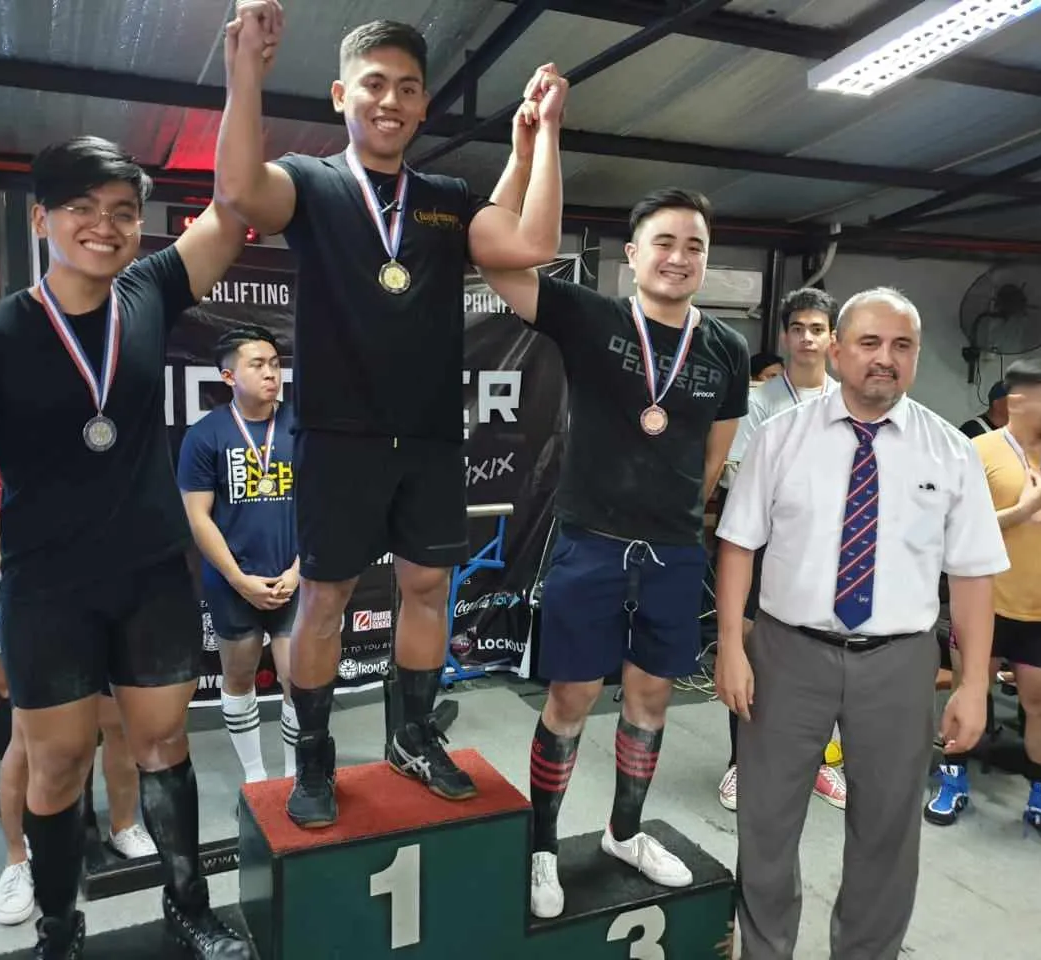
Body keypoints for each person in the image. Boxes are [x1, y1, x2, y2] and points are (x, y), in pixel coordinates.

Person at [0, 20, 266, 954]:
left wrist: (240, 76)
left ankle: (188, 911)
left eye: (122, 209)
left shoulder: (150, 292)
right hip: (47, 585)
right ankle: (61, 929)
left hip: (153, 572)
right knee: (60, 763)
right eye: (82, 207)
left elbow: (234, 210)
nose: (105, 225)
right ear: (40, 218)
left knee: (163, 747)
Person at [215, 2, 568, 828]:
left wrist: (543, 137)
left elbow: (532, 243)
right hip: (340, 437)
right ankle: (313, 755)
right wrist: (245, 74)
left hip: (433, 438)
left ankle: (411, 735)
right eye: (375, 84)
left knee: (426, 588)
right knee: (325, 600)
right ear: (343, 93)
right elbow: (237, 188)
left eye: (408, 88)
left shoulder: (443, 198)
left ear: (421, 105)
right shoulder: (310, 182)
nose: (391, 101)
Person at [714, 287, 1008, 960]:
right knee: (767, 820)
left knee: (886, 829)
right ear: (839, 351)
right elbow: (737, 545)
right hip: (788, 652)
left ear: (915, 357)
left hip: (899, 661)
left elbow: (972, 575)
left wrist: (971, 685)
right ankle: (764, 950)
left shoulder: (949, 451)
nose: (885, 359)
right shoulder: (782, 438)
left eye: (901, 345)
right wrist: (731, 643)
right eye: (870, 343)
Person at [480, 188, 750, 919]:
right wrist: (534, 146)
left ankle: (624, 834)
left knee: (651, 698)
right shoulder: (590, 315)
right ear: (632, 256)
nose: (679, 257)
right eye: (664, 242)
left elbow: (711, 460)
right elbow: (494, 258)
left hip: (671, 552)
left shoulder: (725, 348)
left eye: (694, 246)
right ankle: (543, 844)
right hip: (588, 543)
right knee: (571, 697)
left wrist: (670, 518)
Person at [927, 358, 1041, 850]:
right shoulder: (974, 450)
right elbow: (953, 531)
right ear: (1018, 398)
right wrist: (1022, 511)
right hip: (982, 604)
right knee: (968, 694)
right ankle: (953, 780)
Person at [0, 450, 158, 926]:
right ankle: (19, 861)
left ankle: (124, 826)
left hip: (107, 602)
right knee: (28, 741)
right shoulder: (6, 442)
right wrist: (29, 591)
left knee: (118, 726)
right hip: (38, 604)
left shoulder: (105, 433)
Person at [717, 288, 846, 813]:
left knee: (823, 662)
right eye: (799, 329)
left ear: (832, 338)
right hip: (765, 548)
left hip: (833, 552)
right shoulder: (756, 403)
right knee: (751, 655)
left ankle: (819, 762)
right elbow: (739, 480)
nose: (808, 338)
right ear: (785, 336)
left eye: (818, 328)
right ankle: (740, 763)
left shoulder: (848, 399)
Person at [178, 326, 299, 784]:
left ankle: (292, 778)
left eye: (274, 363)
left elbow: (324, 506)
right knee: (239, 678)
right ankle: (255, 776)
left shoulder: (301, 424)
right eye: (258, 364)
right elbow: (198, 517)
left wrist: (299, 570)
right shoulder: (206, 435)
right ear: (229, 376)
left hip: (294, 579)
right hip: (233, 584)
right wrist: (238, 579)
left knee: (299, 684)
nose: (271, 373)